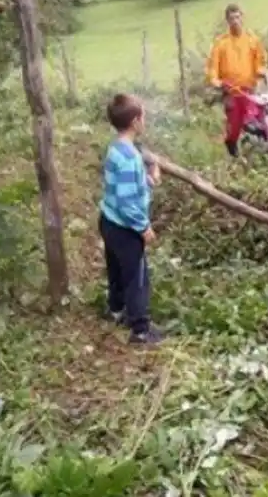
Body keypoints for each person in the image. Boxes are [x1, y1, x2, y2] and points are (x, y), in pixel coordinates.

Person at [99, 93, 164, 345]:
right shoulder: (130, 158)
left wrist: (149, 177)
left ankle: (116, 309)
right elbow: (128, 202)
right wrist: (143, 226)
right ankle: (140, 330)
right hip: (126, 228)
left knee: (115, 269)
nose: (145, 119)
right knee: (137, 277)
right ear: (136, 122)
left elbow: (124, 187)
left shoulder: (116, 148)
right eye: (143, 115)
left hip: (108, 220)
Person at [205, 3, 268, 158]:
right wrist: (216, 81)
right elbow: (212, 68)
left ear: (242, 18)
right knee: (234, 127)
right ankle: (233, 153)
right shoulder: (221, 43)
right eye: (231, 18)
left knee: (254, 122)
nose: (235, 21)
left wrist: (262, 73)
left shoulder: (252, 40)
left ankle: (261, 153)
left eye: (237, 17)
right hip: (231, 93)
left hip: (250, 91)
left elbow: (260, 62)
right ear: (227, 20)